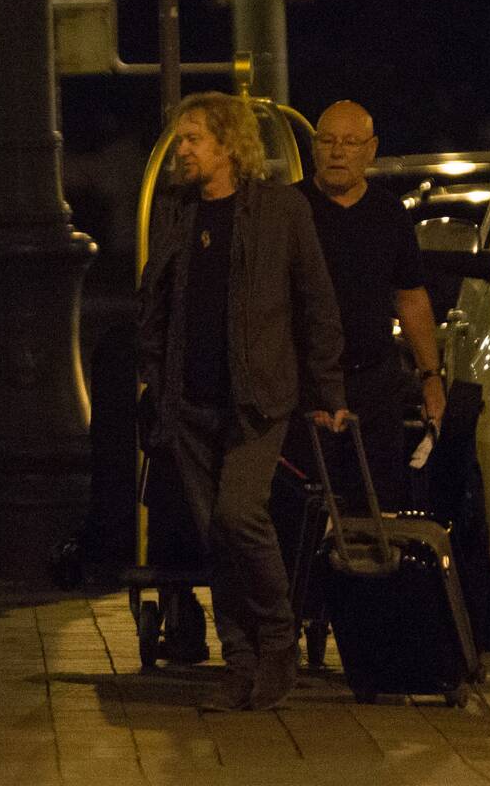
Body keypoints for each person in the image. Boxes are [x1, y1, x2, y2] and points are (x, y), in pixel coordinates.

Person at [137, 92, 348, 712]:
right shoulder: (178, 211)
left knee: (238, 516)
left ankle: (278, 642)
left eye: (193, 139)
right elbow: (156, 301)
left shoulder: (281, 210)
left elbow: (316, 301)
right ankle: (240, 661)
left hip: (257, 397)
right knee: (216, 536)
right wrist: (154, 379)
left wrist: (327, 390)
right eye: (180, 140)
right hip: (189, 402)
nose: (182, 150)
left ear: (228, 145)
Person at [295, 100, 446, 511]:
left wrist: (430, 377)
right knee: (307, 507)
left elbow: (410, 296)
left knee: (378, 501)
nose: (337, 152)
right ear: (313, 147)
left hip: (374, 382)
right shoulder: (291, 210)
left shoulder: (388, 213)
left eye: (349, 142)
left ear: (371, 149)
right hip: (305, 385)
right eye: (327, 141)